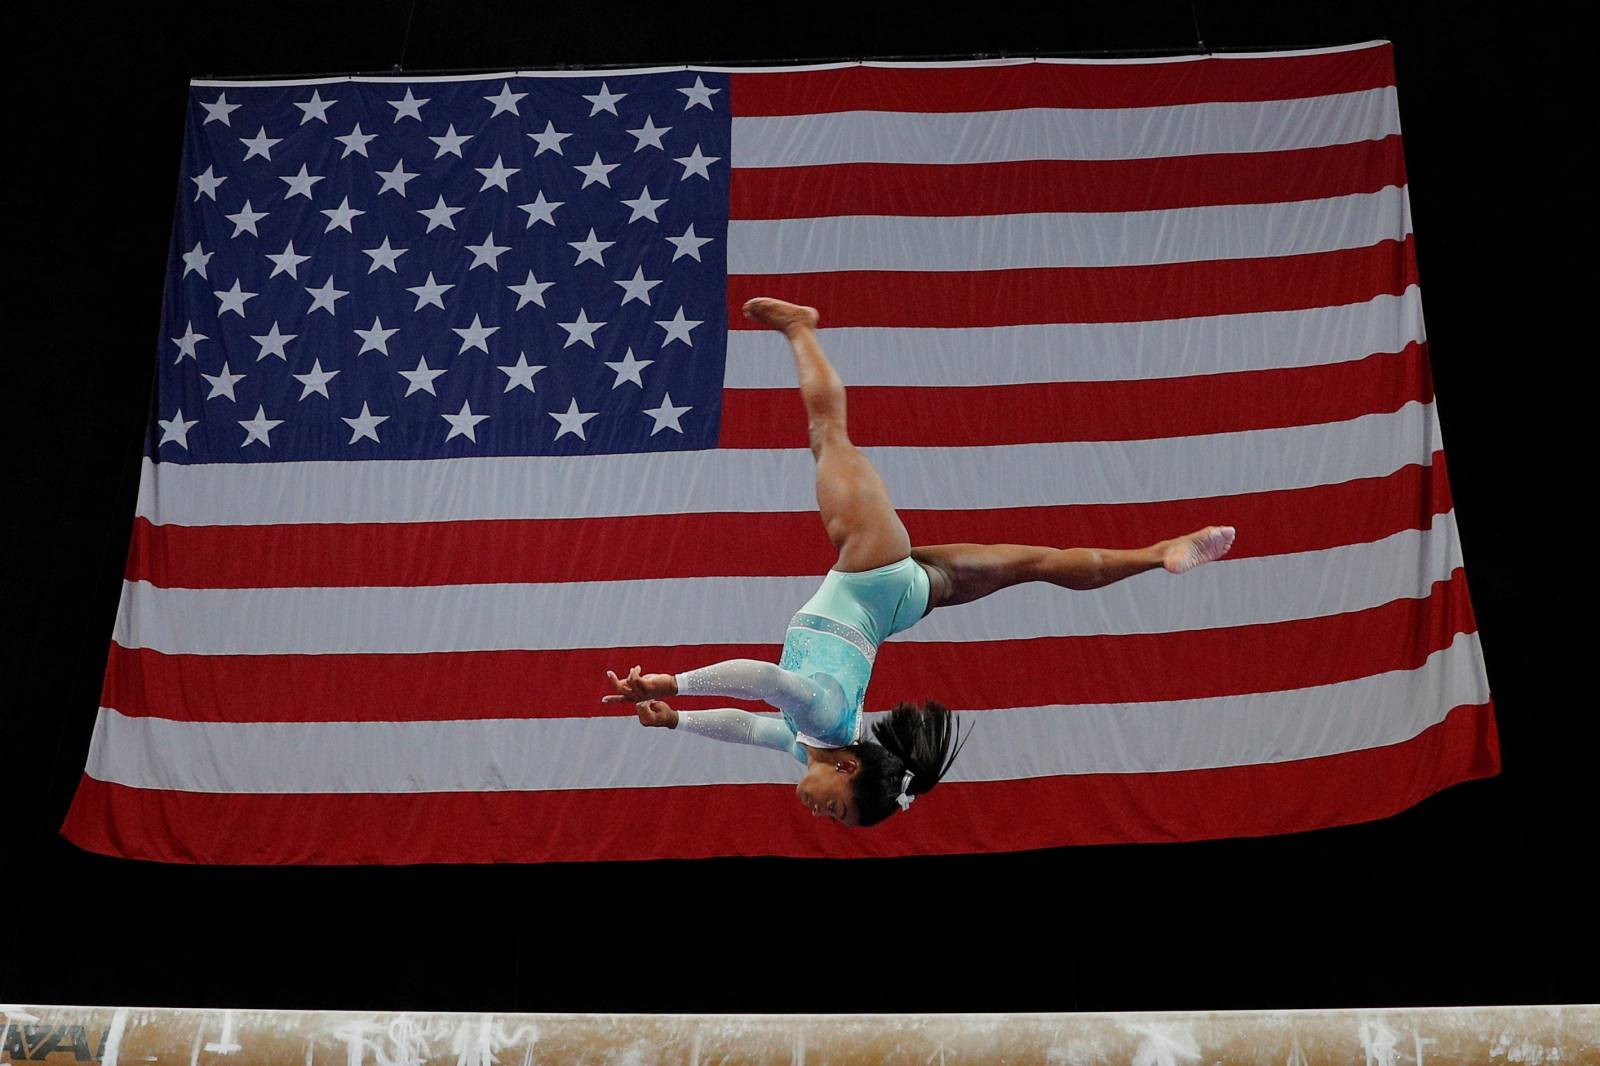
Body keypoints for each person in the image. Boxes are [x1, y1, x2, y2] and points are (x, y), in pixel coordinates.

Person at [603, 297, 1236, 828]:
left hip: (895, 604)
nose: (823, 815)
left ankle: (1159, 554)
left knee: (1039, 562)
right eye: (840, 811)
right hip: (870, 573)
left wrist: (680, 721)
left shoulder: (812, 744)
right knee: (829, 434)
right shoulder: (821, 719)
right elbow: (766, 682)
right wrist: (673, 683)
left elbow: (748, 729)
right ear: (850, 769)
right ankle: (801, 327)